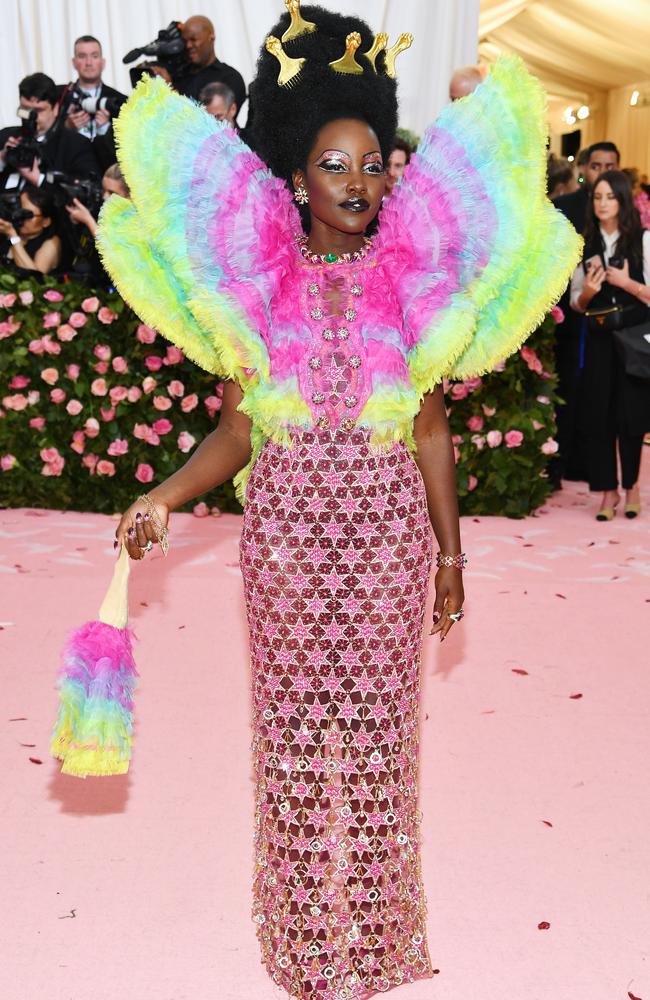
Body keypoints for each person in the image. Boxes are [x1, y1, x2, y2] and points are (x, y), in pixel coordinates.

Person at [97, 3, 579, 995]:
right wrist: (165, 491)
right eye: (334, 164)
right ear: (296, 174)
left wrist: (448, 556)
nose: (358, 182)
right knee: (291, 735)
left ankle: (372, 935)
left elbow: (430, 428)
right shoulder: (258, 283)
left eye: (371, 164)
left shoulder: (409, 283)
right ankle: (303, 935)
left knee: (376, 741)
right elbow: (236, 430)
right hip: (283, 541)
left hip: (386, 541)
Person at [569, 169, 650, 520]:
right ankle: (607, 492)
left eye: (610, 197)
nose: (602, 204)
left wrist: (627, 283)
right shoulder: (584, 243)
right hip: (600, 341)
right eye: (597, 197)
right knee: (599, 416)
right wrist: (589, 290)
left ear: (622, 200)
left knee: (631, 418)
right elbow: (576, 302)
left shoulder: (644, 240)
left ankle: (632, 487)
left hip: (633, 341)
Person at [550, 141, 621, 488]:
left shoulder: (628, 217)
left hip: (611, 321)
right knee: (564, 390)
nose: (603, 173)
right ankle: (556, 466)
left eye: (610, 166)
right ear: (583, 168)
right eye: (597, 166)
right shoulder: (562, 208)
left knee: (600, 396)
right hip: (567, 313)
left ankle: (588, 465)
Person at [0, 73, 99, 193]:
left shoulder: (76, 145)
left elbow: (85, 191)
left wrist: (38, 179)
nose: (31, 117)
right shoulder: (5, 137)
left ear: (55, 108)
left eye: (38, 111)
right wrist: (2, 159)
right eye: (25, 109)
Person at [63, 35, 127, 173]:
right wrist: (66, 127)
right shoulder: (61, 97)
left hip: (107, 175)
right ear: (74, 62)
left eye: (94, 56)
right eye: (82, 56)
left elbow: (126, 153)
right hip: (70, 175)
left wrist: (105, 130)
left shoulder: (119, 101)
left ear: (103, 62)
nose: (88, 62)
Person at [174, 15, 246, 116]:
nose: (188, 46)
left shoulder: (230, 77)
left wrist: (172, 97)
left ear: (211, 37)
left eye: (193, 39)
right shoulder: (178, 76)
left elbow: (219, 122)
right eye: (185, 41)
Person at [0, 184, 61, 273]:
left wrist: (13, 237)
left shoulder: (52, 242)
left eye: (28, 215)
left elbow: (35, 279)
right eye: (20, 211)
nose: (22, 218)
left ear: (46, 222)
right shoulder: (8, 228)